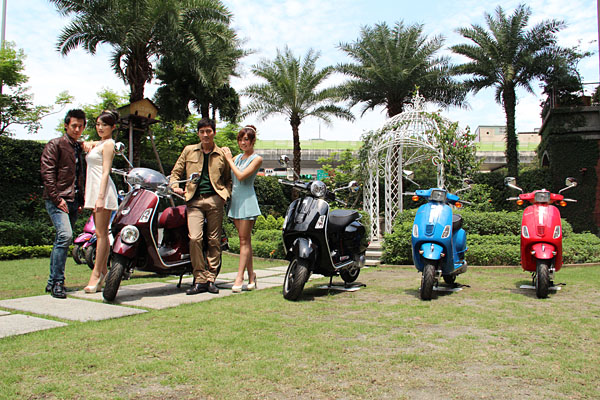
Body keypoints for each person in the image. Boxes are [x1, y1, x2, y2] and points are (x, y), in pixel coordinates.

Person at [170, 118, 232, 295]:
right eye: (202, 131)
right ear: (198, 133)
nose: (205, 135)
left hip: (215, 200)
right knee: (195, 238)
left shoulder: (222, 154)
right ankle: (199, 279)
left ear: (214, 132)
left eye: (209, 131)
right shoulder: (189, 150)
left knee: (214, 240)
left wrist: (225, 195)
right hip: (194, 201)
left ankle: (211, 278)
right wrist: (175, 186)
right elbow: (175, 173)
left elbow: (228, 179)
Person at [41, 109, 87, 298]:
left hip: (73, 201)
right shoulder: (56, 144)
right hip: (58, 200)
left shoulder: (79, 148)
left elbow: (80, 175)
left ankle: (51, 282)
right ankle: (58, 283)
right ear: (66, 125)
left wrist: (81, 199)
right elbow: (47, 173)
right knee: (65, 236)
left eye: (80, 126)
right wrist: (57, 199)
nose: (77, 129)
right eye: (74, 125)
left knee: (62, 240)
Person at [82, 110, 120, 293]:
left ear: (113, 127)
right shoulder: (100, 143)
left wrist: (100, 196)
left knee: (101, 234)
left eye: (104, 125)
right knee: (100, 233)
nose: (100, 128)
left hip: (102, 191)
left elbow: (106, 172)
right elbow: (85, 144)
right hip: (94, 190)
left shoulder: (109, 144)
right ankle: (103, 272)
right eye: (98, 124)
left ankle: (96, 274)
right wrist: (88, 143)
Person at [222, 126, 263, 293]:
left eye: (246, 139)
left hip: (247, 202)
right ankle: (252, 275)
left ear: (252, 141)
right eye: (240, 139)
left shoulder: (256, 159)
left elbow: (240, 176)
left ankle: (239, 277)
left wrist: (229, 159)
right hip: (236, 201)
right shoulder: (237, 157)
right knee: (245, 241)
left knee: (244, 241)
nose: (243, 143)